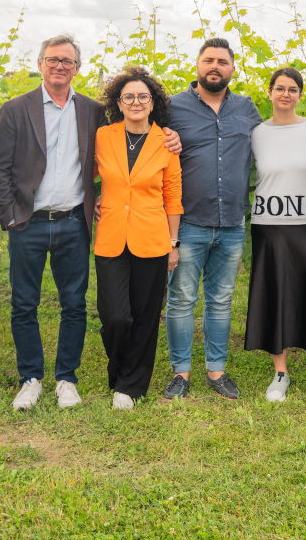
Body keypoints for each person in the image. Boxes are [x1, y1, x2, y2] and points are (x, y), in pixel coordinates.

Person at [163, 38, 262, 400]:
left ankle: (216, 371)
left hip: (233, 223)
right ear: (198, 66)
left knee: (220, 300)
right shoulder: (173, 108)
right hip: (189, 222)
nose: (215, 66)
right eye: (209, 60)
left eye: (222, 61)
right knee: (182, 299)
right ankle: (181, 373)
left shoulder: (247, 108)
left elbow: (271, 145)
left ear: (233, 68)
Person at [245, 67, 306, 402]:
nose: (286, 94)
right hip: (269, 228)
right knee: (275, 296)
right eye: (280, 88)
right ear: (269, 93)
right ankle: (280, 373)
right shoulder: (256, 133)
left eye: (293, 89)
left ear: (300, 95)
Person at [93, 67, 183, 410]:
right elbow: (88, 176)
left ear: (152, 102)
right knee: (115, 315)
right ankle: (119, 372)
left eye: (142, 96)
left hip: (152, 238)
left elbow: (173, 196)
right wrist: (97, 199)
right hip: (112, 236)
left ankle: (130, 386)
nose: (135, 101)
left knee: (145, 317)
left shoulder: (166, 141)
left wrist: (173, 243)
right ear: (119, 102)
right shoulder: (103, 136)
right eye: (128, 96)